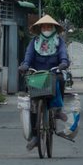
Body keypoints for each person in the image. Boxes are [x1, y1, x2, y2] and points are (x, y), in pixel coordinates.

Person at [19, 14, 70, 151]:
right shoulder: (34, 42)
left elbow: (63, 55)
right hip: (37, 75)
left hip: (54, 73)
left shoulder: (59, 42)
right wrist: (25, 65)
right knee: (33, 105)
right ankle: (35, 137)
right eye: (44, 26)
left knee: (60, 79)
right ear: (40, 28)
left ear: (54, 28)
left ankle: (58, 110)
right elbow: (28, 56)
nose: (46, 28)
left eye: (49, 26)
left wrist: (64, 62)